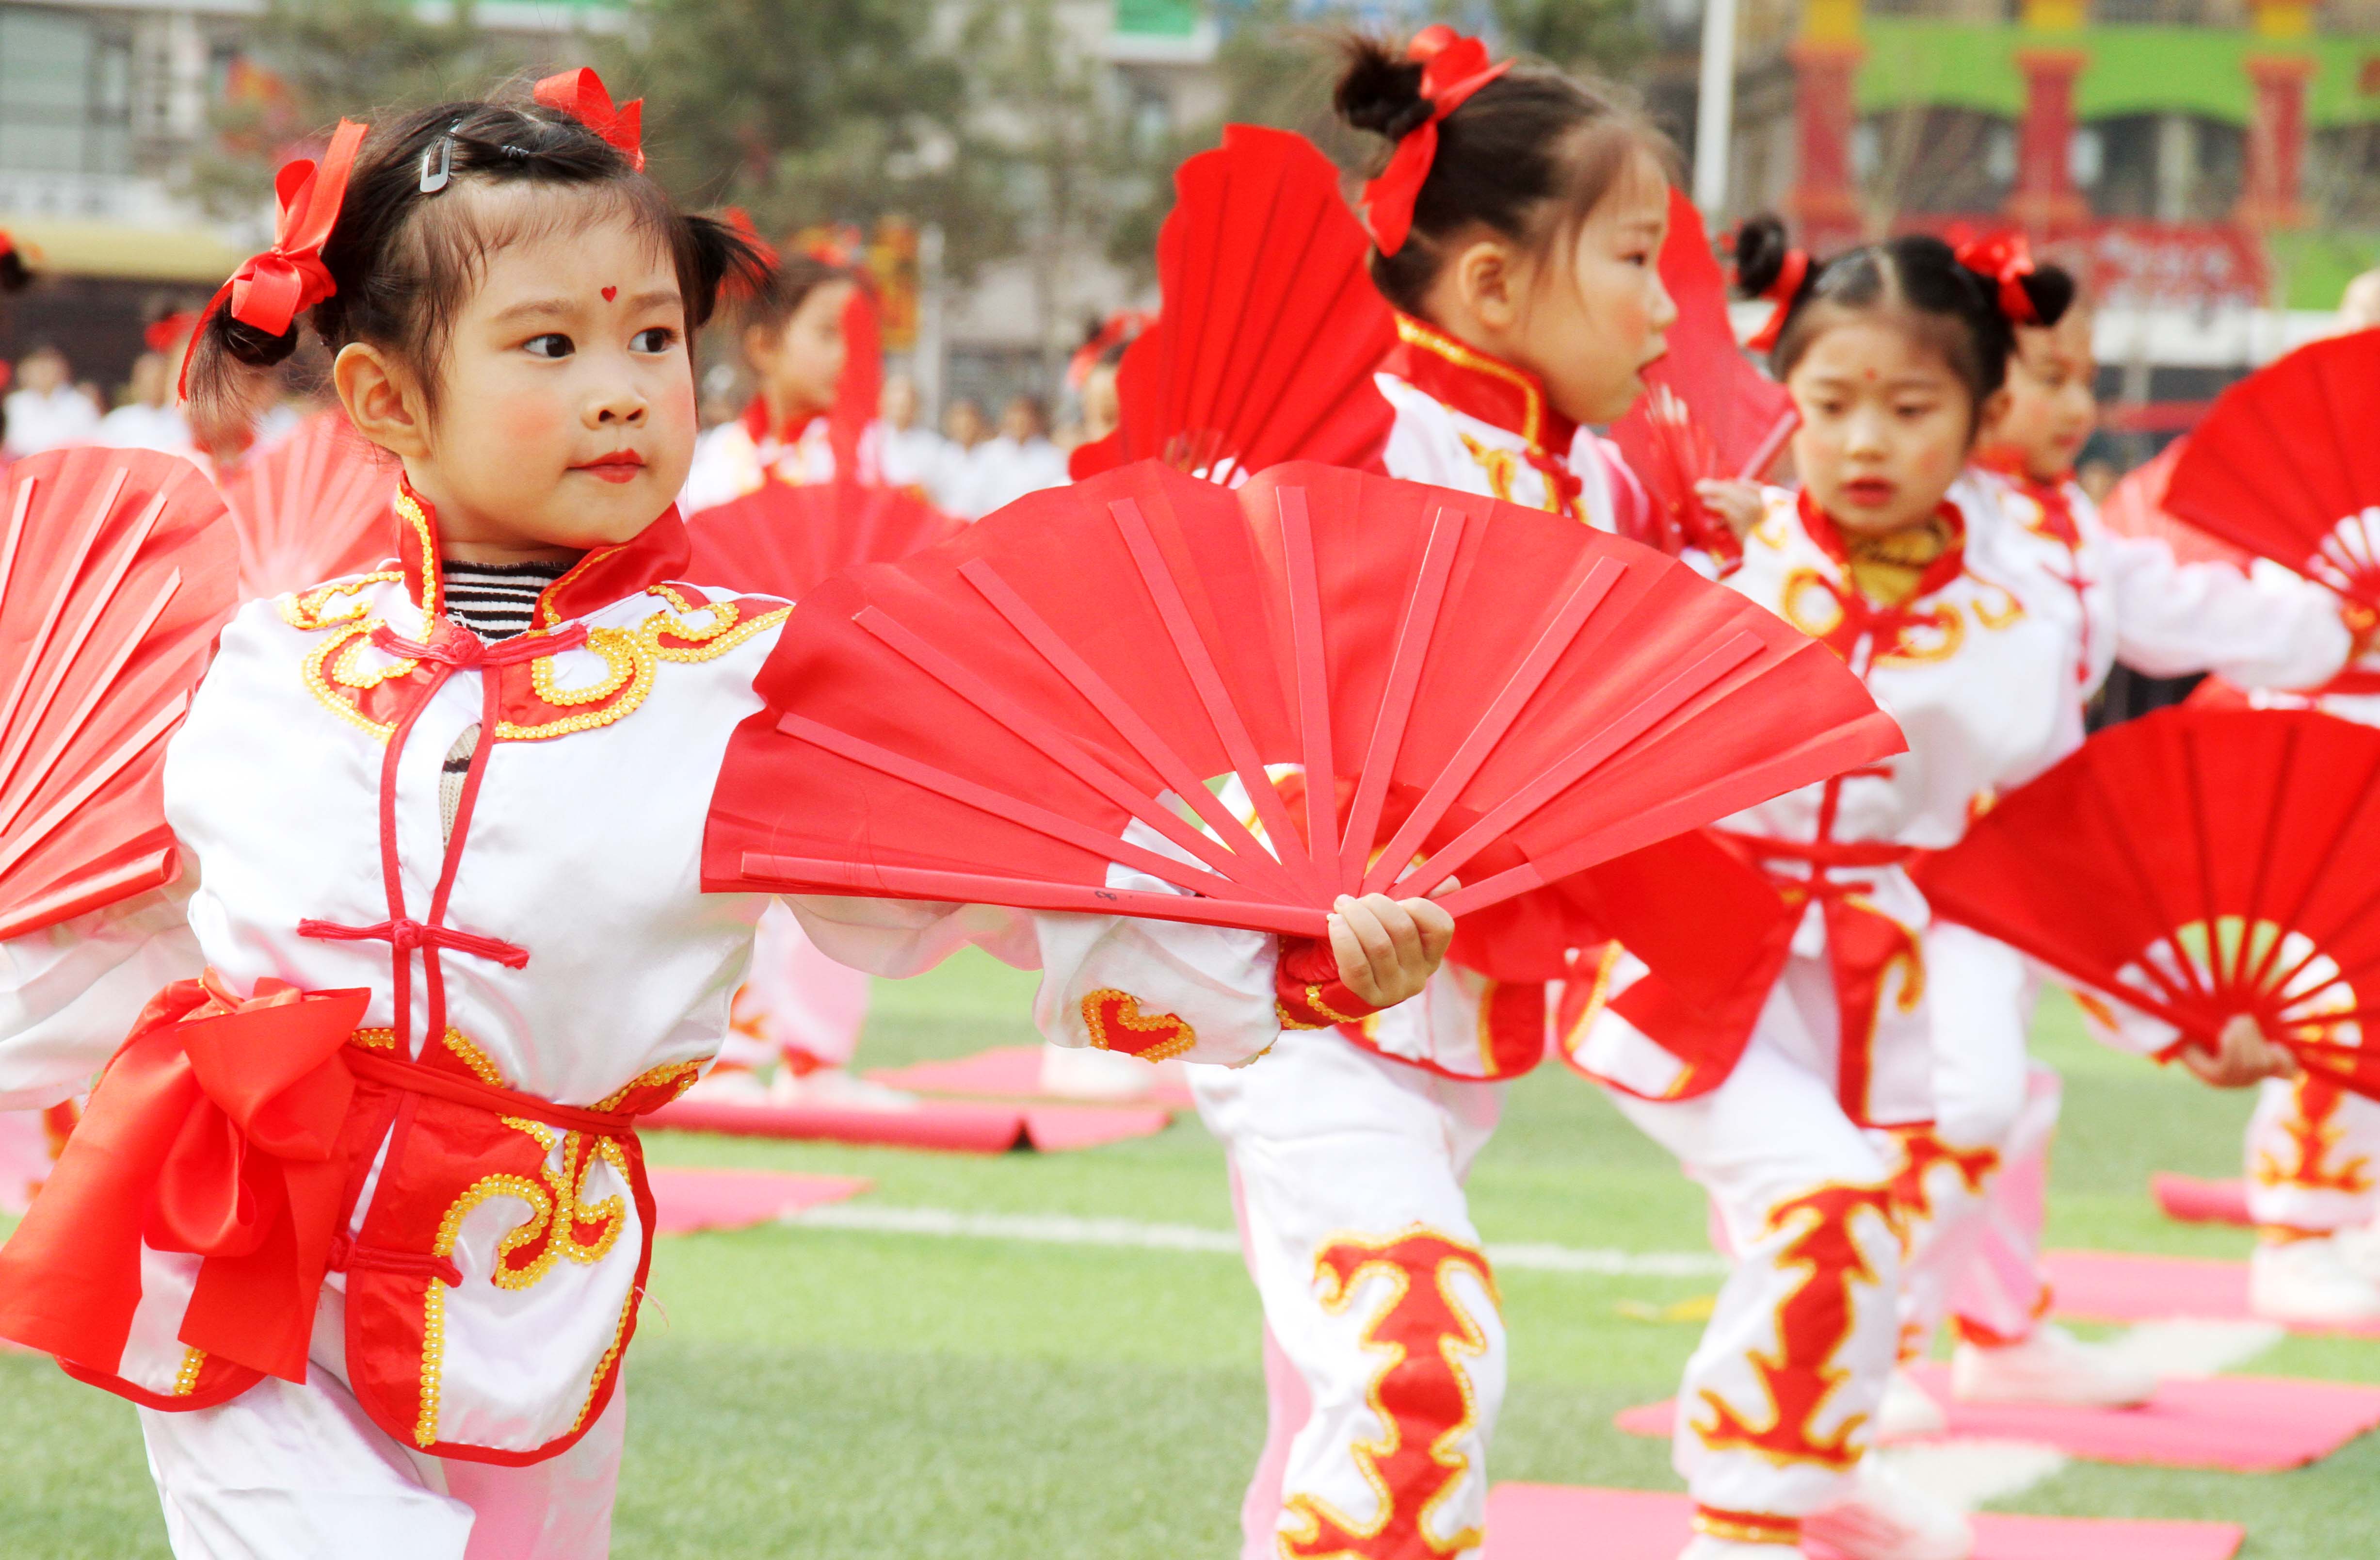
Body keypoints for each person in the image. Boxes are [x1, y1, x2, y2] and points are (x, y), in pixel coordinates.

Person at [0, 81, 1452, 1560]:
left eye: (652, 340)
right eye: (549, 344)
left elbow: (994, 878)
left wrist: (1284, 949)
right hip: (236, 1243)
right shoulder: (264, 661)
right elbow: (108, 914)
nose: (623, 386)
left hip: (531, 1280)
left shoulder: (748, 681)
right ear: (385, 400)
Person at [1566, 222, 2346, 1560]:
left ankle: (1820, 1478)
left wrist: (2174, 1024)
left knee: (1881, 1198)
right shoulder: (1719, 564)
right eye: (1829, 406)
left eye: (1909, 407)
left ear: (1981, 410)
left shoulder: (2022, 611)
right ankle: (1747, 1523)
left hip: (1895, 973)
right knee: (1829, 1210)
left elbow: (2059, 849)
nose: (1864, 442)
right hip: (1694, 964)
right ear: (1783, 401)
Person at [1185, 31, 1675, 1560]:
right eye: (1641, 259)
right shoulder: (1356, 436)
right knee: (1416, 1350)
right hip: (1298, 999)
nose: (1670, 306)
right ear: (1487, 290)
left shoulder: (1594, 483)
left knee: (1326, 1382)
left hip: (1453, 1011)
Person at [677, 251, 865, 512]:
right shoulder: (712, 464)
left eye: (854, 334)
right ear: (764, 346)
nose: (845, 353)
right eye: (828, 333)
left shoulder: (869, 458)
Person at [965, 394, 1070, 516]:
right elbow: (974, 496)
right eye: (1015, 414)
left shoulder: (1054, 458)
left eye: (1026, 415)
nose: (1020, 420)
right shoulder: (987, 453)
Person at [3, 344, 102, 456]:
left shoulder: (81, 405)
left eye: (48, 365)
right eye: (36, 365)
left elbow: (93, 445)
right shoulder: (13, 404)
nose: (42, 371)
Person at [872, 371, 949, 498]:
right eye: (895, 405)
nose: (900, 410)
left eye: (905, 405)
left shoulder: (932, 445)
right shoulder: (870, 439)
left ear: (916, 406)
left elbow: (940, 492)